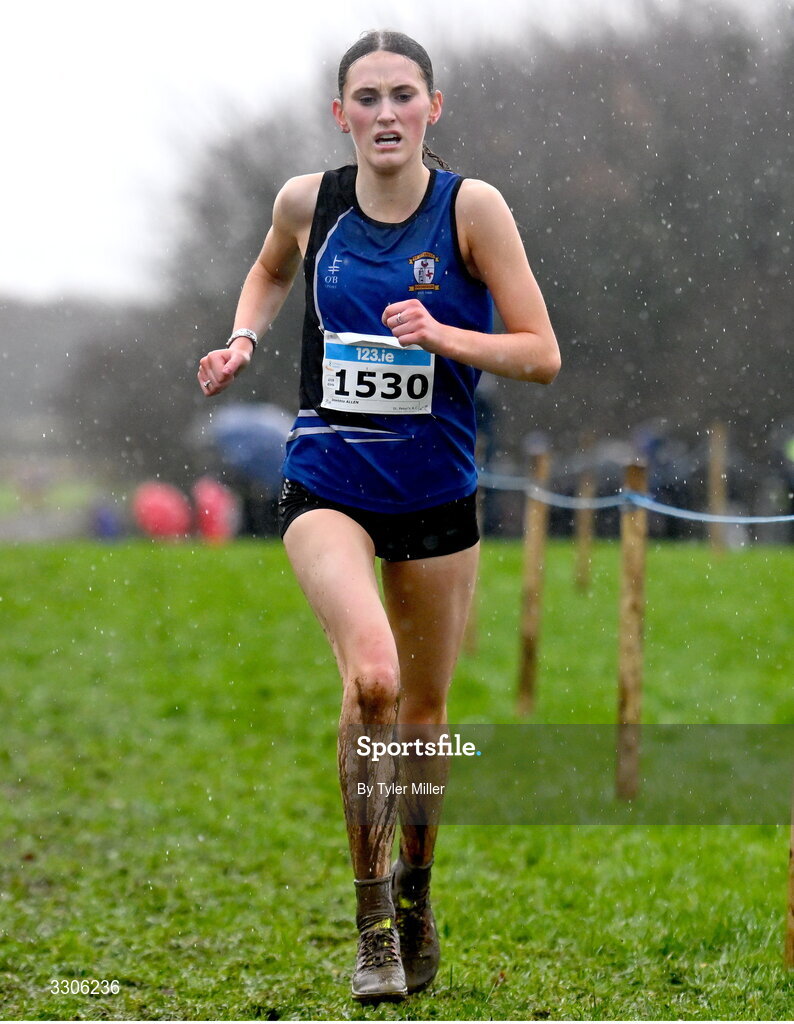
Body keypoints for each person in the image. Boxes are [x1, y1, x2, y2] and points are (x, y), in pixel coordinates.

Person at [197, 29, 561, 1003]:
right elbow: (272, 268)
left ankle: (414, 895)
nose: (386, 112)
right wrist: (241, 338)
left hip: (438, 494)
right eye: (367, 97)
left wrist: (443, 332)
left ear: (432, 108)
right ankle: (369, 926)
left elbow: (538, 352)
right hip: (328, 483)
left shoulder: (469, 210)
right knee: (372, 681)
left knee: (426, 715)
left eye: (404, 95)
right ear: (341, 114)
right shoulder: (306, 202)